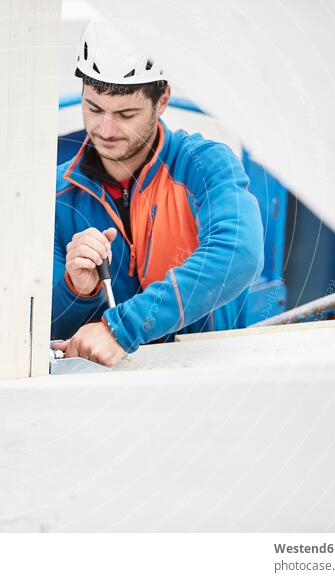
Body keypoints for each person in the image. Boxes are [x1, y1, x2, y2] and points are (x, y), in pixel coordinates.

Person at [51, 17, 264, 366]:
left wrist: (123, 328)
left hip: (207, 381)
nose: (104, 128)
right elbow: (43, 328)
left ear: (162, 99)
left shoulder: (205, 165)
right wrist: (77, 289)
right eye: (93, 108)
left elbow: (240, 254)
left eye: (126, 113)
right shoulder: (57, 195)